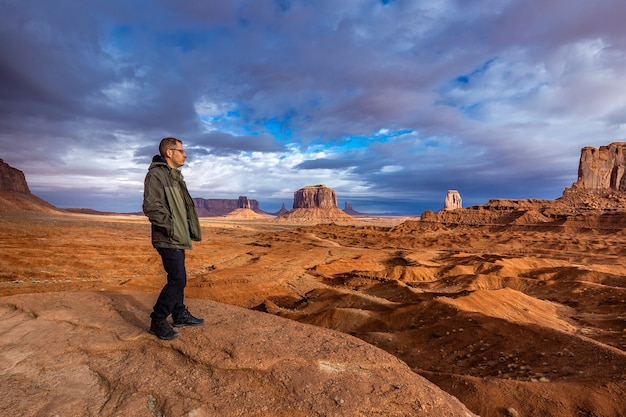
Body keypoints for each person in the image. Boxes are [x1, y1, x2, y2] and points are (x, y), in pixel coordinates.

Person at [143, 137, 204, 340]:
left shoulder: (174, 176)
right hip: (168, 237)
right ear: (169, 153)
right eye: (181, 150)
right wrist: (174, 228)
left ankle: (178, 314)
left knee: (178, 278)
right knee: (178, 279)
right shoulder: (156, 175)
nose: (185, 154)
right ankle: (158, 319)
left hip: (177, 237)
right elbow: (152, 207)